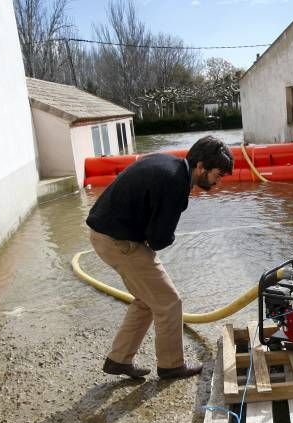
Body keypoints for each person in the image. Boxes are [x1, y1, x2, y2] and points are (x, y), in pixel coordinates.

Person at [87, 135, 233, 380]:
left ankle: (118, 360)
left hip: (104, 234)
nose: (218, 182)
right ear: (200, 167)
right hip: (118, 241)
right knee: (169, 302)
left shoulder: (168, 163)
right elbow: (159, 239)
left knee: (147, 299)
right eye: (217, 175)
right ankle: (171, 366)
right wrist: (166, 235)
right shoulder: (176, 183)